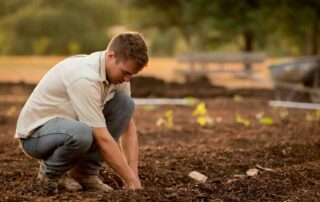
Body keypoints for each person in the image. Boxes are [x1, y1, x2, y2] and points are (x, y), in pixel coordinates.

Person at [15, 31, 149, 192]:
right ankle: (51, 176)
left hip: (69, 127)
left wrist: (133, 178)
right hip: (35, 136)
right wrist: (130, 180)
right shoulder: (85, 77)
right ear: (111, 56)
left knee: (125, 104)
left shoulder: (118, 77)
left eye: (131, 75)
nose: (127, 79)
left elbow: (128, 127)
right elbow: (102, 138)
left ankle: (84, 173)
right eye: (125, 72)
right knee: (82, 133)